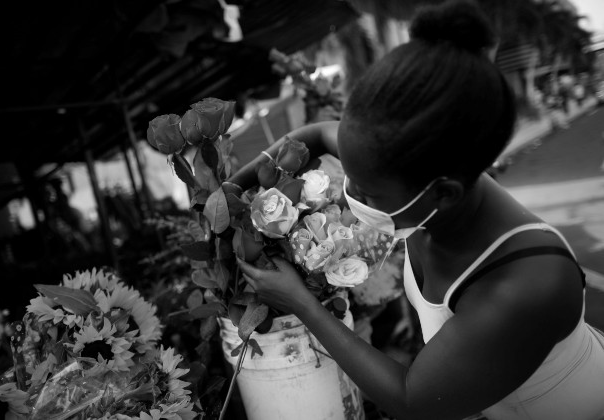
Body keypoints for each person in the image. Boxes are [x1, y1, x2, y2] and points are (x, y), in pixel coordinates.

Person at [228, 1, 604, 419]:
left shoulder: (527, 284)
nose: (352, 198)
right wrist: (232, 187)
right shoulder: (416, 178)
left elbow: (413, 401)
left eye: (367, 194)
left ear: (443, 192)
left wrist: (302, 303)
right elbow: (315, 134)